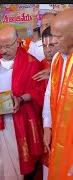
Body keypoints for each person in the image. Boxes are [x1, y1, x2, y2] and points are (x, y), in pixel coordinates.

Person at [0, 26, 44, 180]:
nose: (4, 50)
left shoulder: (30, 63)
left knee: (15, 158)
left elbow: (38, 90)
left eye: (8, 46)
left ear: (17, 43)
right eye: (0, 46)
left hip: (18, 119)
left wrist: (20, 99)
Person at [43, 9, 73, 180]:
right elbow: (50, 94)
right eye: (53, 35)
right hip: (59, 133)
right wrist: (47, 125)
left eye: (59, 37)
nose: (53, 42)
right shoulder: (57, 59)